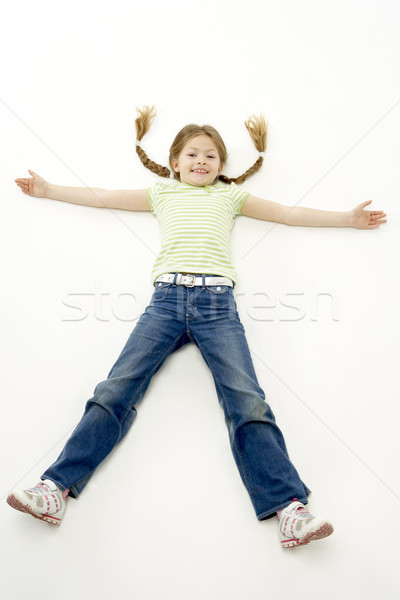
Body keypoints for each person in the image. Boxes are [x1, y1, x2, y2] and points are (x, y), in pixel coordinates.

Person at [7, 106, 387, 548]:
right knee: (115, 390)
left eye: (210, 156)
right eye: (192, 154)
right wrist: (49, 189)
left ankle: (289, 509)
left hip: (216, 304)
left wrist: (348, 218)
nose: (201, 161)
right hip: (165, 301)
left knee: (247, 398)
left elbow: (288, 212)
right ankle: (54, 489)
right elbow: (105, 196)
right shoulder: (161, 195)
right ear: (175, 162)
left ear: (222, 167)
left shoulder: (230, 198)